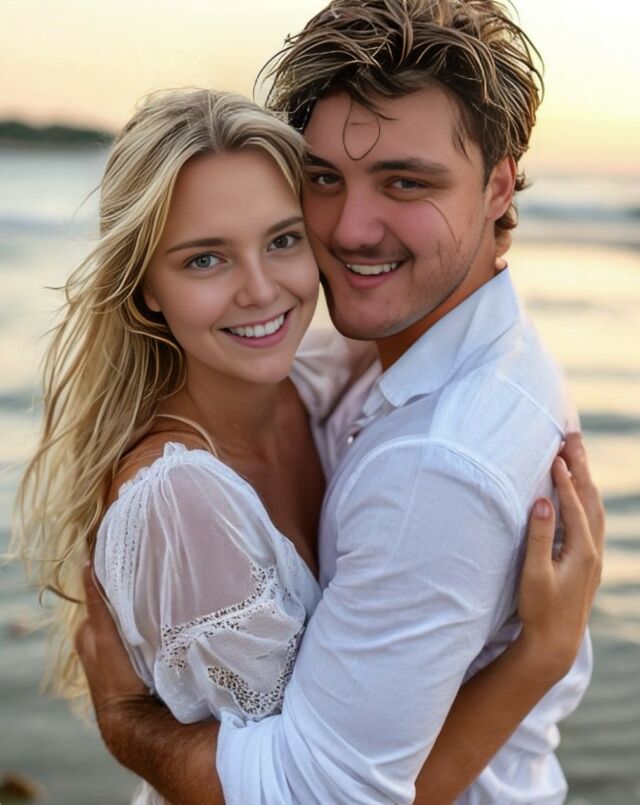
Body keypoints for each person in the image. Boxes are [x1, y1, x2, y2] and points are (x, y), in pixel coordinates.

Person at [23, 2, 604, 801]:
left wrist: (129, 721)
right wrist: (539, 655)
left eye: (405, 181)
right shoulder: (403, 369)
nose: (352, 230)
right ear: (145, 286)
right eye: (325, 180)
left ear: (498, 186)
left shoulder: (399, 426)